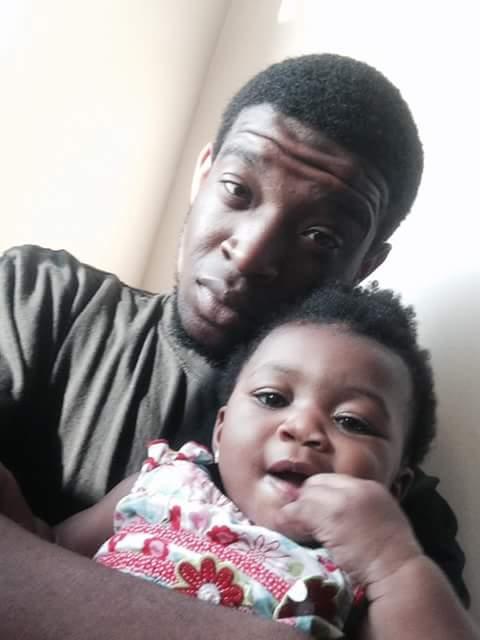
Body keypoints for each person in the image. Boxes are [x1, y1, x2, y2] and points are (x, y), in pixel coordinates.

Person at [0, 53, 475, 639]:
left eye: (320, 236)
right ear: (204, 174)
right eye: (237, 190)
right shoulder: (40, 301)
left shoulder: (388, 516)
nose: (250, 253)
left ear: (366, 264)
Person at [0, 284, 438, 639]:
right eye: (273, 398)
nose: (303, 428)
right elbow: (52, 549)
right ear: (221, 430)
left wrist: (394, 561)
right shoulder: (165, 482)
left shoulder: (365, 571)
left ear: (394, 488)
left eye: (351, 421)